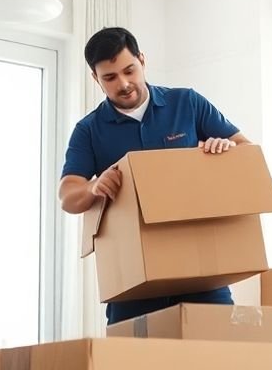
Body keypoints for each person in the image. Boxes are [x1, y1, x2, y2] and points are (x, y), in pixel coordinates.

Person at [59, 26, 249, 324]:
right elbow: (68, 197)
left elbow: (246, 152)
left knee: (217, 363)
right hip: (133, 284)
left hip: (201, 273)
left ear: (142, 61)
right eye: (110, 77)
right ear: (96, 79)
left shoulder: (186, 103)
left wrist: (225, 147)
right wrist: (95, 186)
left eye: (129, 70)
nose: (123, 83)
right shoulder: (89, 130)